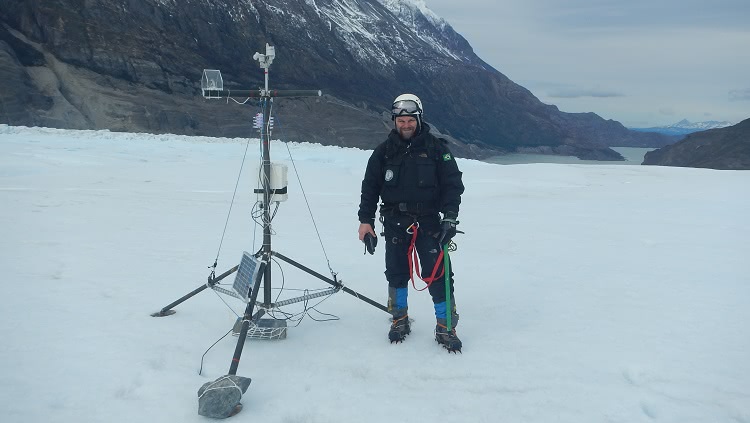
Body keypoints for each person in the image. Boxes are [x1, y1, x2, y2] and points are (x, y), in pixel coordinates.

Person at [357, 93, 465, 352]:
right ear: (394, 121)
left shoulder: (437, 149)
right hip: (395, 222)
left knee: (438, 275)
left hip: (430, 223)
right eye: (401, 120)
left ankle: (445, 326)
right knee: (396, 273)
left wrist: (449, 218)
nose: (406, 125)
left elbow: (453, 185)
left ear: (419, 119)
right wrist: (365, 221)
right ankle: (399, 319)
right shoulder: (383, 152)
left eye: (410, 120)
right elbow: (370, 187)